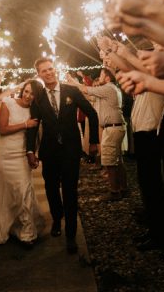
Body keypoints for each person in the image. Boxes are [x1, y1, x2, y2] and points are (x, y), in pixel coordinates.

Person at [26, 58, 99, 254]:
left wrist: (93, 141)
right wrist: (30, 151)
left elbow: (92, 114)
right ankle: (57, 219)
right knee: (51, 187)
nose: (49, 73)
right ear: (39, 75)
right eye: (44, 71)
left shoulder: (71, 91)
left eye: (50, 69)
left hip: (70, 150)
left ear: (55, 69)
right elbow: (33, 126)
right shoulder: (38, 98)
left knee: (70, 190)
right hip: (48, 151)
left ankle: (71, 235)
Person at [0, 80, 43, 246]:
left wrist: (33, 154)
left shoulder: (35, 110)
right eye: (26, 91)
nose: (28, 96)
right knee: (4, 193)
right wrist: (25, 124)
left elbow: (35, 136)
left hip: (21, 154)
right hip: (5, 154)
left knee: (23, 190)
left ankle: (27, 233)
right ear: (22, 91)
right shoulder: (8, 103)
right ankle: (6, 226)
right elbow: (3, 129)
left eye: (32, 94)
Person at [67, 68, 128, 201]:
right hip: (114, 127)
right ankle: (123, 188)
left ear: (107, 78)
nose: (99, 77)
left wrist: (72, 82)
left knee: (110, 161)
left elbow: (86, 90)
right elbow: (89, 96)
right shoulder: (107, 90)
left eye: (101, 74)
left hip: (112, 128)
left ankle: (114, 192)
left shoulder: (108, 88)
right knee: (118, 160)